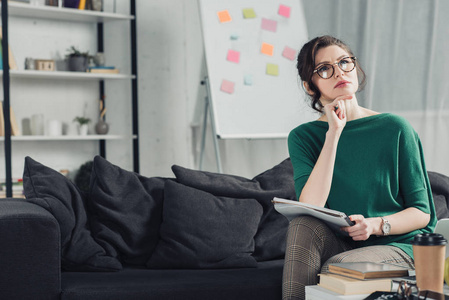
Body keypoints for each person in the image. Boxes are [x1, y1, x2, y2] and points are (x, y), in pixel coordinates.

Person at [283, 35, 437, 300]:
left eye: (344, 62)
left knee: (339, 268)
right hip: (342, 243)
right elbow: (311, 204)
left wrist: (376, 225)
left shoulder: (394, 128)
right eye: (324, 69)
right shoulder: (303, 137)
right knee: (302, 224)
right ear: (311, 86)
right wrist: (333, 134)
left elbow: (422, 213)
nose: (339, 72)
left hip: (398, 244)